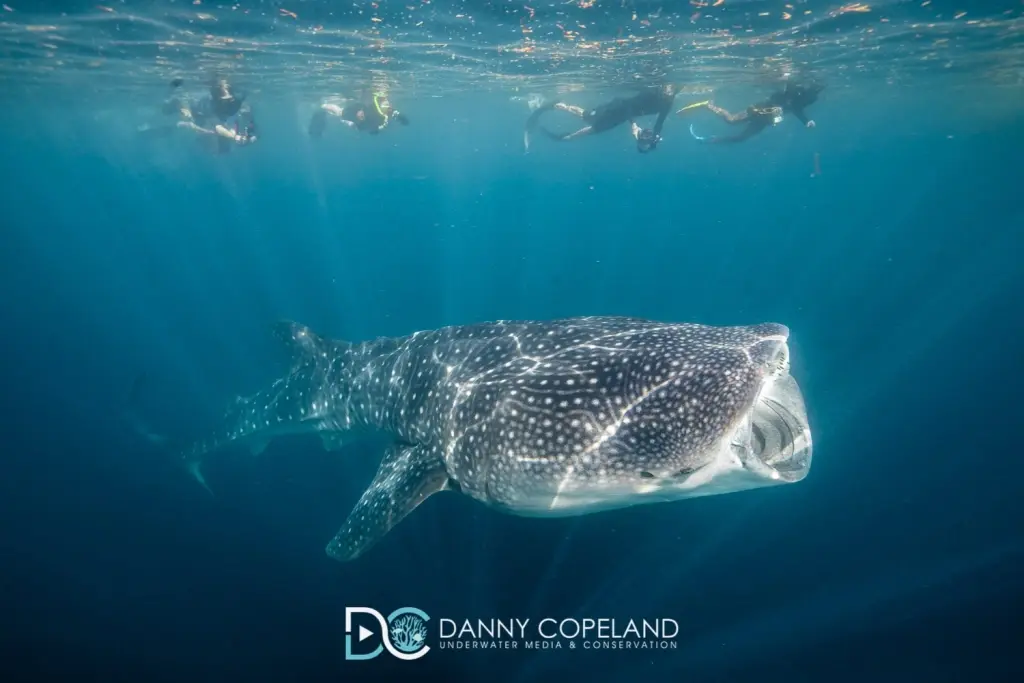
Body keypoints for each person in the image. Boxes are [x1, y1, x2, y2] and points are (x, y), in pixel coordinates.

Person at [524, 84, 683, 153]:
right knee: (588, 118)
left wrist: (652, 140)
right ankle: (559, 107)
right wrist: (633, 124)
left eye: (671, 93)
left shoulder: (666, 103)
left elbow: (659, 125)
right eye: (667, 93)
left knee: (593, 126)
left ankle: (567, 135)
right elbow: (628, 104)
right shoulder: (653, 94)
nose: (668, 95)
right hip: (617, 108)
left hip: (621, 115)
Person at [684, 80, 824, 144]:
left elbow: (796, 109)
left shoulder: (803, 99)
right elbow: (781, 96)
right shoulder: (792, 92)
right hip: (757, 111)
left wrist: (806, 121)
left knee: (740, 139)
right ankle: (708, 105)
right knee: (731, 120)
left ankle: (710, 140)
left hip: (765, 120)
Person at [162, 78, 257, 152]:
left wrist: (246, 136)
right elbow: (218, 127)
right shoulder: (213, 106)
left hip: (196, 110)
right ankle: (176, 97)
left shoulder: (229, 106)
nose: (228, 100)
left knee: (176, 110)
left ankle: (176, 96)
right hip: (195, 106)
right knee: (171, 109)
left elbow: (218, 127)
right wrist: (247, 136)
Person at [308, 93, 409, 138]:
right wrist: (361, 112)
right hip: (356, 114)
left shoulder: (387, 112)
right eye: (385, 103)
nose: (388, 105)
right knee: (340, 112)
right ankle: (323, 106)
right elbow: (365, 105)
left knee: (341, 116)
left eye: (388, 103)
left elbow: (373, 129)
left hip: (359, 123)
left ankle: (325, 108)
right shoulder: (375, 107)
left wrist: (401, 118)